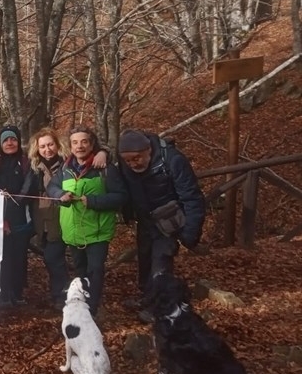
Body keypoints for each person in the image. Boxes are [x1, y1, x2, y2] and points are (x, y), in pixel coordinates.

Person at [117, 129, 205, 322]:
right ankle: (147, 298)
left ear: (148, 150)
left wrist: (191, 232)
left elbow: (192, 197)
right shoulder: (125, 163)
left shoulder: (173, 161)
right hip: (145, 221)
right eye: (128, 161)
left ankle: (160, 308)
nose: (133, 164)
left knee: (161, 264)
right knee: (145, 261)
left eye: (137, 158)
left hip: (169, 222)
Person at [46, 126, 127, 317]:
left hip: (98, 232)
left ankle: (92, 309)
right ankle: (82, 305)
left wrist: (94, 201)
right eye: (75, 142)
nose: (79, 146)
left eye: (84, 142)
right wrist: (60, 195)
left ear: (91, 144)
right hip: (73, 232)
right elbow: (51, 186)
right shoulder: (65, 169)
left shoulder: (105, 169)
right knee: (80, 270)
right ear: (70, 146)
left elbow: (122, 196)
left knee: (95, 270)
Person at [28, 128, 109, 311]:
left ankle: (81, 299)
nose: (47, 149)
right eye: (42, 146)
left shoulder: (69, 163)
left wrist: (104, 152)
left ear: (58, 145)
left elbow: (97, 150)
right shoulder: (34, 166)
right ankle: (64, 295)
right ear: (37, 149)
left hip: (74, 220)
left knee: (81, 263)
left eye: (50, 145)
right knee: (53, 259)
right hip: (48, 222)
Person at [0, 125, 35, 307]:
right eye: (5, 140)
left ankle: (17, 293)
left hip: (20, 216)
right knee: (2, 257)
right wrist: (1, 218)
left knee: (19, 256)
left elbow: (27, 189)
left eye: (13, 139)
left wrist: (13, 205)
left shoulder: (26, 162)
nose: (9, 143)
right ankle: (3, 294)